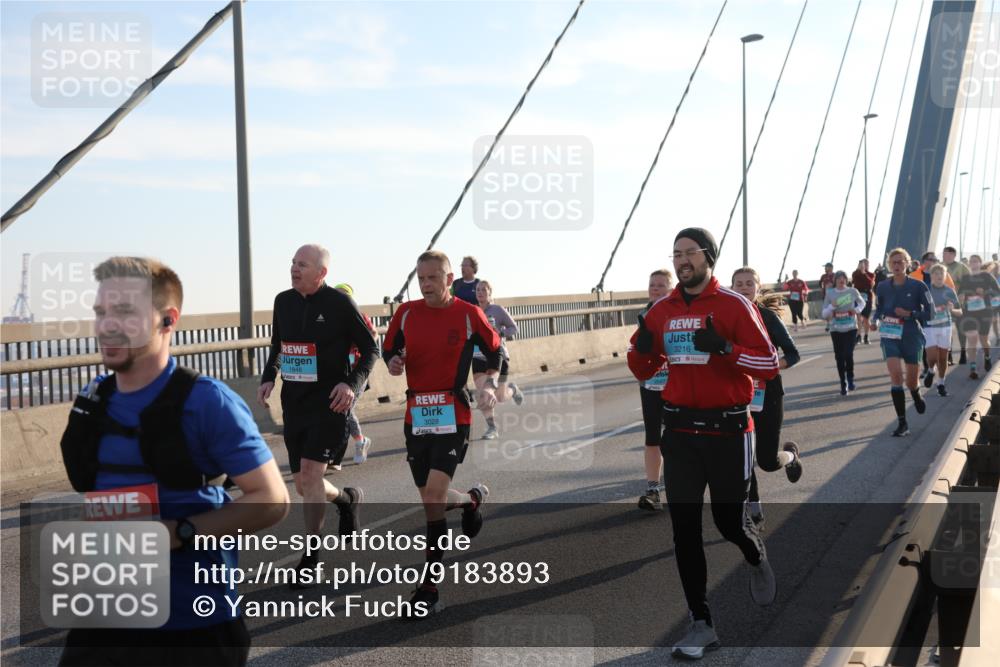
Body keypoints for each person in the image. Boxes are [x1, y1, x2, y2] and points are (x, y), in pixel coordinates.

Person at [59, 257, 290, 666]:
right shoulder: (94, 397)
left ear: (168, 320)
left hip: (193, 625)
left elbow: (272, 500)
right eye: (101, 312)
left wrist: (179, 531)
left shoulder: (207, 402)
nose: (106, 325)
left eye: (125, 312)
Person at [628, 228, 778, 660]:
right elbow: (644, 370)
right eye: (675, 255)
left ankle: (753, 551)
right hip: (680, 435)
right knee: (684, 530)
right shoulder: (663, 310)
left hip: (728, 432)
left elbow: (767, 364)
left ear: (708, 256)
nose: (681, 261)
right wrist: (640, 347)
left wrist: (725, 348)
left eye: (689, 253)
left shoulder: (735, 305)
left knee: (729, 523)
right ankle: (701, 623)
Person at [382, 250, 501, 616]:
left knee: (433, 495)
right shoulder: (406, 313)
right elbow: (388, 350)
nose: (426, 284)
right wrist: (394, 362)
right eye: (421, 278)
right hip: (417, 413)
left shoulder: (468, 314)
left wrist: (490, 383)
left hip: (453, 411)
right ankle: (470, 500)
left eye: (433, 277)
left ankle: (429, 585)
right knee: (431, 497)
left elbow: (495, 349)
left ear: (450, 280)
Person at [257, 244, 377, 586]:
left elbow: (371, 347)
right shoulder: (283, 301)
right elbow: (278, 346)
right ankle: (346, 498)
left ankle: (311, 558)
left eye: (302, 265)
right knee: (303, 483)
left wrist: (351, 384)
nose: (294, 269)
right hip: (295, 403)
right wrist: (269, 377)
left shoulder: (339, 304)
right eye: (293, 263)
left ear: (321, 273)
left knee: (310, 475)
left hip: (330, 404)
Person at [731, 267, 803, 528]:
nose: (744, 287)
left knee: (766, 461)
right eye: (738, 283)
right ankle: (755, 511)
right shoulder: (725, 318)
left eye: (749, 283)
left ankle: (791, 456)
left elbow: (793, 354)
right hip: (738, 397)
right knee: (743, 458)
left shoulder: (768, 317)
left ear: (758, 288)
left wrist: (767, 368)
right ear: (732, 288)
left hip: (768, 394)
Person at [871, 248, 934, 437]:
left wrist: (910, 314)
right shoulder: (882, 286)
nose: (897, 266)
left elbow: (931, 313)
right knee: (896, 375)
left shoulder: (919, 286)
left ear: (907, 264)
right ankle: (902, 423)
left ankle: (915, 392)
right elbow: (879, 308)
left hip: (911, 334)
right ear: (889, 265)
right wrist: (875, 320)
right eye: (893, 263)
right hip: (889, 334)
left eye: (900, 262)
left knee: (911, 380)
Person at [636, 268, 674, 511]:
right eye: (652, 284)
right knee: (652, 437)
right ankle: (652, 490)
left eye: (660, 285)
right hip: (650, 384)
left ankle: (682, 486)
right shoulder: (644, 314)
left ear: (671, 290)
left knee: (675, 437)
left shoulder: (678, 314)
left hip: (676, 383)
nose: (655, 288)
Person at [473, 279, 524, 439]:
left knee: (501, 397)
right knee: (484, 394)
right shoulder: (473, 311)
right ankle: (492, 428)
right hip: (479, 357)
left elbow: (514, 328)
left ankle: (513, 389)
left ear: (489, 293)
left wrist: (499, 333)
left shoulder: (498, 310)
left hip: (498, 356)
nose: (480, 292)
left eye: (483, 290)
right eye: (478, 290)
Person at [332, 283, 377, 466]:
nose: (340, 299)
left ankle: (359, 441)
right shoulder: (330, 318)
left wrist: (356, 343)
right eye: (337, 295)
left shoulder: (359, 316)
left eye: (344, 296)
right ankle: (353, 443)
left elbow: (373, 337)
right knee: (343, 408)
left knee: (346, 408)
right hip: (340, 371)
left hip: (357, 371)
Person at [821, 271, 866, 395]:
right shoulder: (830, 294)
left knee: (848, 354)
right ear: (835, 280)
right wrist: (832, 307)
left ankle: (850, 378)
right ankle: (843, 382)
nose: (841, 280)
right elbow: (824, 314)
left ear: (846, 280)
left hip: (851, 327)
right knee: (839, 357)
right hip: (836, 329)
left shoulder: (852, 291)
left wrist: (856, 310)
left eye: (844, 278)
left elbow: (862, 303)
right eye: (839, 278)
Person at [956, 254, 999, 379]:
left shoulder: (987, 276)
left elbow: (997, 292)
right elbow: (960, 294)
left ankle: (987, 356)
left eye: (976, 261)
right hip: (969, 312)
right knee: (972, 338)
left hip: (985, 312)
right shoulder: (966, 278)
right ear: (969, 264)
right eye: (971, 261)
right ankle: (973, 368)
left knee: (983, 339)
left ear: (980, 263)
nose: (973, 263)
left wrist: (985, 292)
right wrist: (962, 297)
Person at [922, 264, 961, 396]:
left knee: (943, 358)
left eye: (941, 274)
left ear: (945, 276)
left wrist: (952, 309)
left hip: (945, 326)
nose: (939, 276)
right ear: (931, 276)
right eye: (936, 273)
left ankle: (941, 384)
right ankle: (931, 370)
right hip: (929, 326)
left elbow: (960, 311)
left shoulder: (949, 291)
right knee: (932, 356)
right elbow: (919, 306)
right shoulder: (926, 290)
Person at [942, 246, 970, 364]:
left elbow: (968, 282)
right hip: (944, 303)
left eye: (948, 254)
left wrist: (963, 293)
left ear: (954, 255)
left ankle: (963, 353)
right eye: (944, 254)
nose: (945, 256)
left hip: (960, 303)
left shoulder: (961, 267)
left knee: (961, 329)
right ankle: (949, 356)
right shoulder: (940, 267)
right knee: (948, 330)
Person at [851, 259, 875, 344]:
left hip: (868, 297)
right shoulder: (855, 273)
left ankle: (866, 336)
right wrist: (859, 271)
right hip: (858, 297)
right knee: (858, 317)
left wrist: (863, 272)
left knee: (866, 318)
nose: (864, 265)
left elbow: (870, 283)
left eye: (866, 264)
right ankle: (858, 336)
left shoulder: (871, 274)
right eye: (862, 264)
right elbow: (855, 282)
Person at [819, 263, 836, 332]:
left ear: (831, 268)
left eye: (826, 267)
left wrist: (832, 285)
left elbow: (839, 284)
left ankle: (832, 324)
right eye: (825, 267)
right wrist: (822, 288)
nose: (825, 268)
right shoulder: (823, 276)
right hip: (826, 296)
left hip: (834, 296)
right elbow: (820, 283)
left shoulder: (835, 275)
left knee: (833, 310)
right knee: (826, 311)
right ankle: (828, 323)